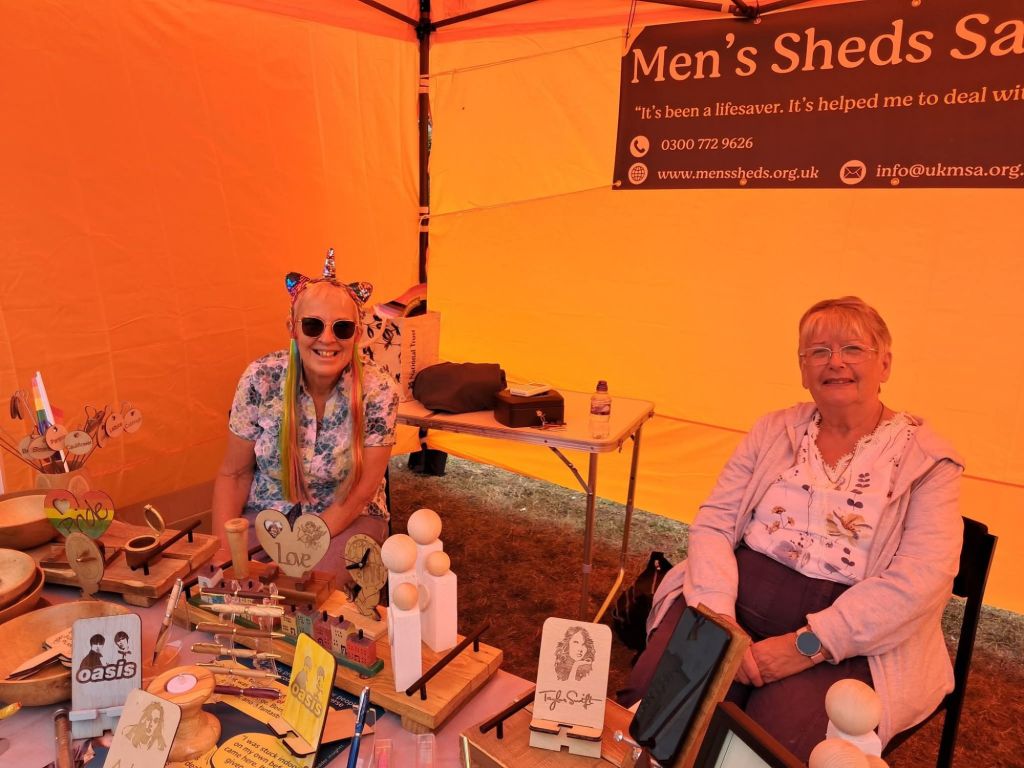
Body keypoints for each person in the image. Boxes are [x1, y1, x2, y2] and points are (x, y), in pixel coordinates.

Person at [619, 296, 963, 761]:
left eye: (853, 349)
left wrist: (807, 645)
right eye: (818, 351)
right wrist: (721, 622)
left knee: (763, 747)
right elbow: (715, 522)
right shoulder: (774, 430)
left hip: (848, 637)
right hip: (731, 601)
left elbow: (921, 580)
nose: (835, 362)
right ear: (803, 370)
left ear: (885, 363)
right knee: (659, 714)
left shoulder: (927, 460)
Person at [212, 250, 399, 585]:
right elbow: (234, 474)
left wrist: (300, 548)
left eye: (342, 328)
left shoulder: (379, 390)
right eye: (313, 325)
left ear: (357, 334)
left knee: (309, 593)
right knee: (223, 587)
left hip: (347, 518)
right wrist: (224, 550)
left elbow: (361, 492)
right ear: (292, 328)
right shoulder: (260, 379)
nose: (327, 338)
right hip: (267, 515)